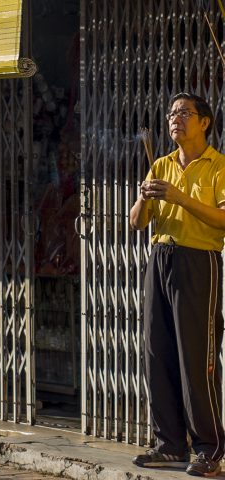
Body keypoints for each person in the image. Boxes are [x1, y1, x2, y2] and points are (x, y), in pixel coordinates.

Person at [130, 92, 225, 478]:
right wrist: (141, 199)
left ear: (204, 121)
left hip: (198, 261)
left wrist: (180, 198)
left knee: (196, 358)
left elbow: (222, 220)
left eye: (184, 113)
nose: (175, 119)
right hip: (161, 259)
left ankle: (210, 447)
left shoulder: (218, 165)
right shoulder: (161, 165)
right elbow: (137, 223)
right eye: (171, 114)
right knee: (158, 351)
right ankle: (169, 443)